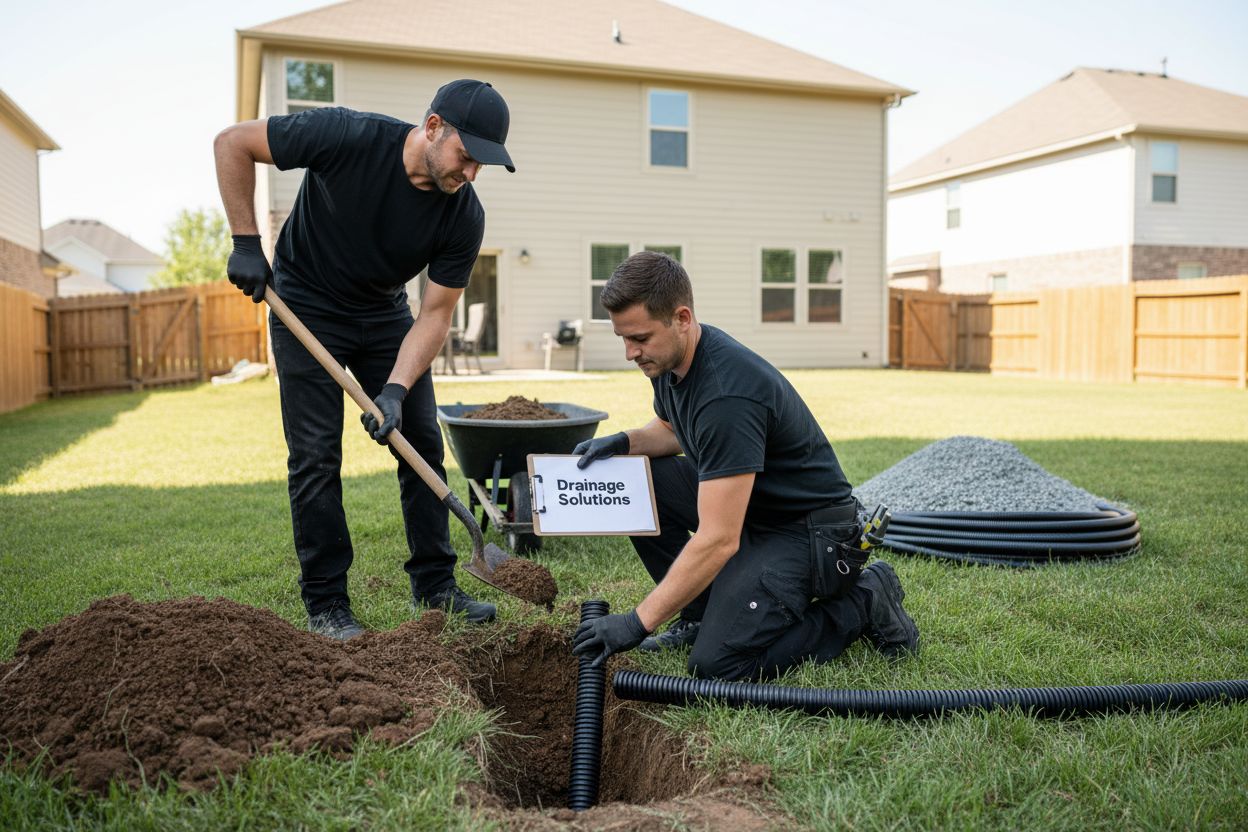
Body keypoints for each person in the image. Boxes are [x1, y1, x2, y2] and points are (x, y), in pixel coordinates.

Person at [213, 79, 514, 639]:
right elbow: (233, 142)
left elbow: (435, 313)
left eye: (482, 165)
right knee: (316, 456)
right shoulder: (346, 135)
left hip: (383, 316)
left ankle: (437, 585)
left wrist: (396, 389)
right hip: (304, 305)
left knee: (421, 442)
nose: (470, 174)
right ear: (432, 128)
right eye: (465, 157)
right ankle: (327, 603)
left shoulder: (462, 216)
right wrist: (246, 242)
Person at [571, 252, 919, 680]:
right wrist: (625, 442)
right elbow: (673, 427)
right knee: (640, 481)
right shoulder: (671, 359)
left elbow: (718, 540)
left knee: (718, 665)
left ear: (682, 317)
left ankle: (864, 600)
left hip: (803, 530)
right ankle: (699, 615)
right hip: (752, 507)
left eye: (639, 337)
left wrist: (636, 622)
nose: (630, 353)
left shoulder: (726, 395)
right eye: (623, 338)